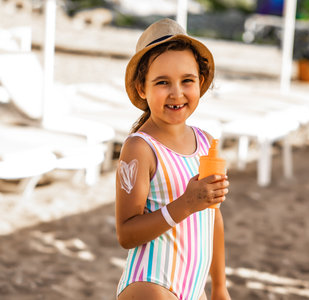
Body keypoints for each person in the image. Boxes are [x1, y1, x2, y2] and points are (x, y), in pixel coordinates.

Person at [115, 18, 231, 300]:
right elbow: (126, 234)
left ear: (200, 83)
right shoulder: (140, 148)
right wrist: (186, 204)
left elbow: (212, 216)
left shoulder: (205, 141)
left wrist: (218, 286)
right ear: (142, 88)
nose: (176, 93)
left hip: (194, 290)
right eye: (162, 82)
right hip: (151, 286)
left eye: (187, 80)